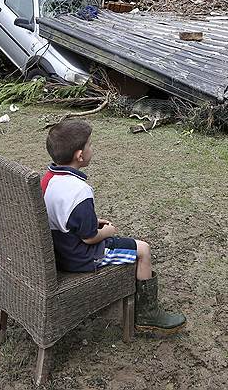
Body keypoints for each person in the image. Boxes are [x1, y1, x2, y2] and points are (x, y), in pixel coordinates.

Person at [42, 119, 186, 333]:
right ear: (79, 155)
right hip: (81, 256)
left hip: (60, 249)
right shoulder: (80, 191)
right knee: (143, 250)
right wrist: (106, 231)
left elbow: (64, 216)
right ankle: (147, 316)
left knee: (122, 242)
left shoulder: (48, 179)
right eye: (90, 145)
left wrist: (91, 222)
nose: (93, 148)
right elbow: (89, 237)